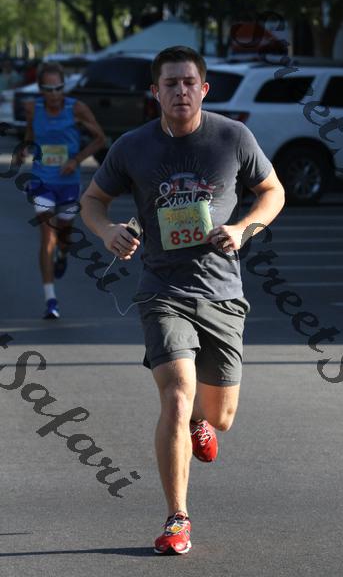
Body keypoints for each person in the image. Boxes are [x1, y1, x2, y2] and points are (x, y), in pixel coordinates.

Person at [80, 46, 285, 554]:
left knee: (221, 415)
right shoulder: (132, 146)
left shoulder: (233, 138)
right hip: (162, 290)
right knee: (175, 395)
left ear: (204, 88)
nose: (180, 91)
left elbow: (273, 191)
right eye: (170, 83)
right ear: (155, 92)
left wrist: (242, 229)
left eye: (189, 82)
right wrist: (107, 232)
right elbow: (92, 200)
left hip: (222, 291)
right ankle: (178, 518)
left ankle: (201, 421)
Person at [21, 62, 106, 319]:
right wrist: (25, 149)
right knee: (48, 236)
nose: (54, 94)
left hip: (68, 181)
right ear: (40, 89)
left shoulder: (75, 108)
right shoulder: (32, 108)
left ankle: (63, 253)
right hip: (42, 180)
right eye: (49, 89)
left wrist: (76, 160)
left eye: (58, 87)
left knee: (64, 234)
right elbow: (30, 134)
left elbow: (100, 138)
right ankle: (51, 300)